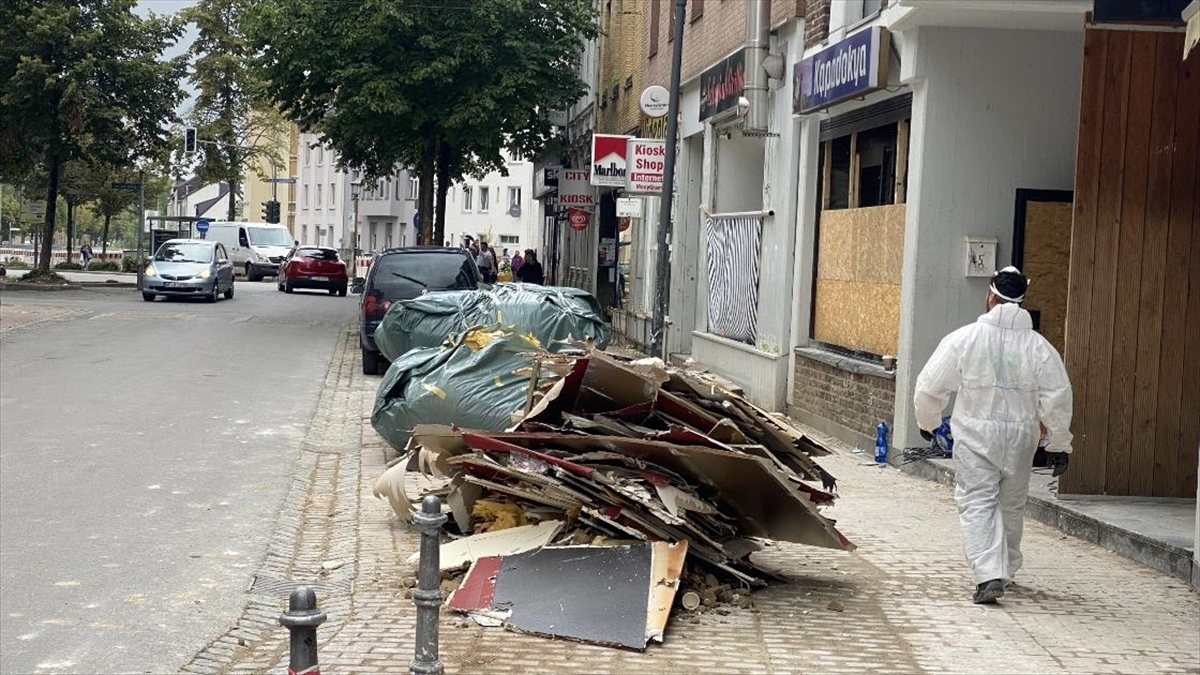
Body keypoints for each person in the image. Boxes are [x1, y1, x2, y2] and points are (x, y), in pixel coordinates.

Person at [913, 266, 1072, 605]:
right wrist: (1059, 443)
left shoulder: (964, 339)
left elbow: (929, 387)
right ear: (1022, 301)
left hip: (975, 435)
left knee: (977, 502)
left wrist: (927, 423)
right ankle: (1006, 569)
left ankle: (988, 575)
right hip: (1020, 437)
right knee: (1011, 505)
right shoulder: (1038, 346)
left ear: (990, 296)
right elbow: (1057, 396)